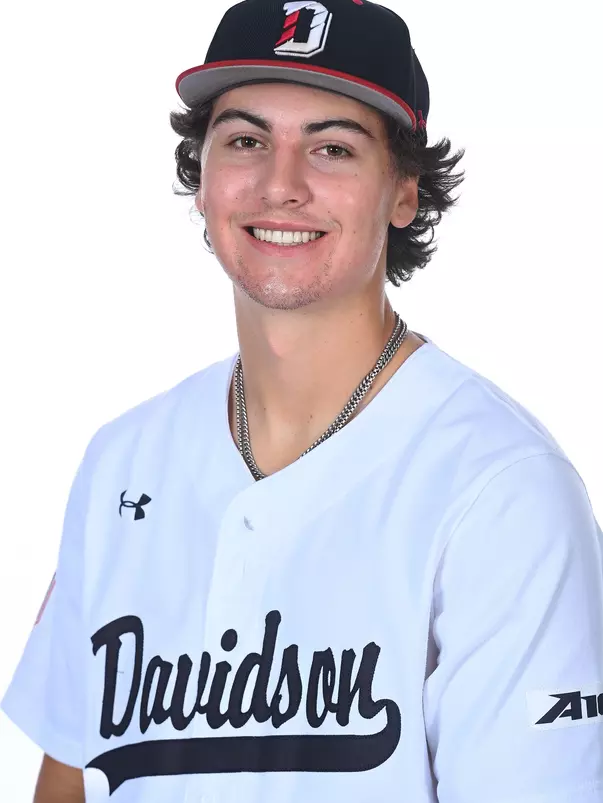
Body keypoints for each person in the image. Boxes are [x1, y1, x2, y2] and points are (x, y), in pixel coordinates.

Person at [2, 0, 602, 801]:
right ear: (202, 176)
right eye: (246, 140)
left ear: (402, 194)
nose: (280, 185)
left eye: (332, 148)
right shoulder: (122, 461)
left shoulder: (501, 490)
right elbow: (68, 781)